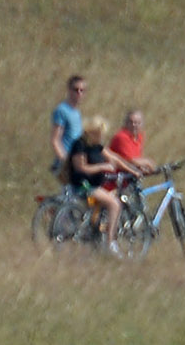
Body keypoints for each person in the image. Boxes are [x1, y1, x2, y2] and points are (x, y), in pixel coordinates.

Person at [69, 116, 123, 248]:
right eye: (100, 133)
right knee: (115, 204)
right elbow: (81, 167)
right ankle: (111, 243)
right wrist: (102, 167)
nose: (102, 137)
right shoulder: (80, 144)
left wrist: (132, 170)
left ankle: (96, 234)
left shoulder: (96, 146)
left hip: (94, 185)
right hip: (83, 185)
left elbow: (114, 159)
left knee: (109, 197)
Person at [50, 75, 87, 184]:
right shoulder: (62, 110)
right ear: (69, 90)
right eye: (76, 90)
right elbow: (55, 140)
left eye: (82, 91)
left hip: (77, 160)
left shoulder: (76, 112)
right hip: (67, 162)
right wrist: (65, 162)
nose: (79, 93)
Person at [108, 108, 155, 180]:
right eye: (131, 122)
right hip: (117, 179)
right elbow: (130, 161)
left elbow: (136, 159)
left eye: (138, 123)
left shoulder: (139, 136)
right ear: (126, 123)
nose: (134, 125)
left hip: (130, 176)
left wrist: (142, 167)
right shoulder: (121, 137)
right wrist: (148, 163)